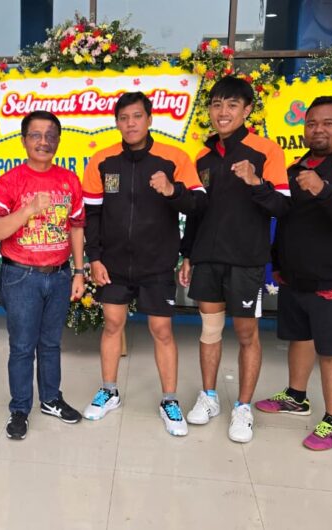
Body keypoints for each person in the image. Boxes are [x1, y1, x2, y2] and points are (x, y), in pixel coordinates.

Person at [255, 95, 332, 451]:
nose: (318, 129)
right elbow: (286, 219)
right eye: (311, 123)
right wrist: (278, 263)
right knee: (300, 339)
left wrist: (325, 190)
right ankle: (296, 397)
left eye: (327, 123)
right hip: (296, 277)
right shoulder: (296, 168)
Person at [81, 91, 207, 436]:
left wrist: (172, 190)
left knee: (162, 330)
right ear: (117, 123)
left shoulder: (174, 158)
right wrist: (95, 257)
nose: (130, 124)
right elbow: (92, 214)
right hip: (113, 264)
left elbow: (198, 204)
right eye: (123, 118)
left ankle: (169, 400)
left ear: (149, 119)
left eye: (137, 116)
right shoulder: (102, 161)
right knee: (112, 325)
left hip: (157, 263)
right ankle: (109, 391)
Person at [178, 76, 291, 443]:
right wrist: (187, 255)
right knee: (209, 330)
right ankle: (209, 397)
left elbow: (282, 206)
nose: (222, 112)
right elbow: (196, 212)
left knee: (246, 334)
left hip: (245, 259)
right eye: (216, 104)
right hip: (207, 258)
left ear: (247, 110)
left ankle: (242, 407)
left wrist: (256, 182)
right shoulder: (202, 156)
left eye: (231, 105)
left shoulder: (266, 150)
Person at [0, 110, 85, 440]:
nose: (44, 141)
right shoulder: (9, 182)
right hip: (21, 277)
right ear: (24, 140)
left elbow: (76, 227)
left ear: (58, 140)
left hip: (58, 276)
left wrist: (79, 272)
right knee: (22, 347)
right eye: (36, 135)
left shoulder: (69, 180)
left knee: (51, 344)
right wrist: (29, 209)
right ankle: (19, 408)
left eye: (50, 136)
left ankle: (51, 399)